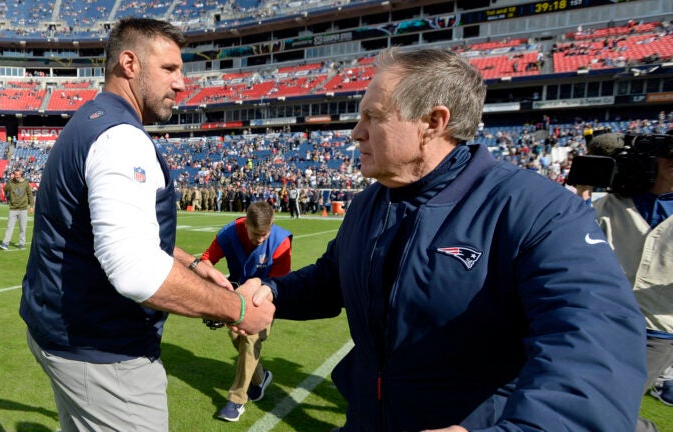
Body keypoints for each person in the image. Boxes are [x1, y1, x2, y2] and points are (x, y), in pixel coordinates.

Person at [247, 47, 647, 431]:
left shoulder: (536, 209)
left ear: (433, 122)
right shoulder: (370, 202)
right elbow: (331, 279)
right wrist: (272, 292)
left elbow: (595, 341)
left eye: (373, 116)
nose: (356, 132)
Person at [19, 18, 274, 432]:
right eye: (170, 69)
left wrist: (192, 264)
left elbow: (112, 228)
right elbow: (134, 269)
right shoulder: (120, 137)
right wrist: (239, 309)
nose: (182, 83)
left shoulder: (91, 119)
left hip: (65, 333)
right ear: (129, 63)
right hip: (102, 350)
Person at [574, 131, 673, 432]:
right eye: (669, 152)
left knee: (608, 408)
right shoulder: (612, 204)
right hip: (600, 318)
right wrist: (581, 191)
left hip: (656, 330)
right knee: (579, 400)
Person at [198, 201, 292, 422]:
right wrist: (216, 287)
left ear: (272, 225)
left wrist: (257, 290)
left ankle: (236, 400)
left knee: (249, 339)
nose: (260, 240)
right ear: (245, 223)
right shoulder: (229, 233)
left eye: (264, 234)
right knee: (238, 339)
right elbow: (206, 260)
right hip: (236, 298)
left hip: (265, 297)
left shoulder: (280, 241)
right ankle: (260, 378)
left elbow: (282, 282)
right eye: (255, 234)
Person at [0, 169, 33, 250]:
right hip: (13, 209)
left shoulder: (25, 183)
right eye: (15, 175)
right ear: (14, 175)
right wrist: (10, 179)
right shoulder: (11, 182)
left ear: (21, 175)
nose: (17, 176)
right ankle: (5, 244)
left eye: (18, 175)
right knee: (9, 227)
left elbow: (30, 195)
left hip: (23, 209)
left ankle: (21, 244)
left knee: (22, 228)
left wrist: (31, 206)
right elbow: (5, 189)